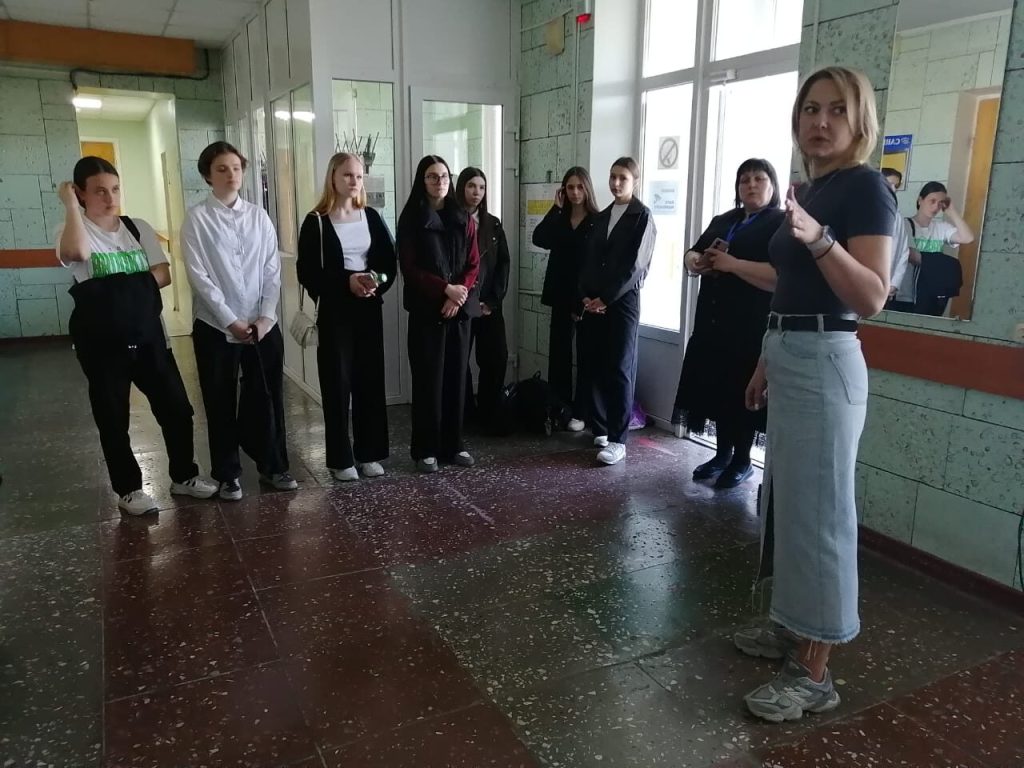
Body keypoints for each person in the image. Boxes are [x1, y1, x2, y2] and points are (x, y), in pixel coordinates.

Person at [738, 66, 895, 723]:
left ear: (860, 123)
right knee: (789, 508)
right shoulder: (813, 187)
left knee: (823, 517)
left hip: (829, 359)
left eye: (836, 110)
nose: (820, 121)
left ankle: (814, 674)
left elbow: (872, 296)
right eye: (810, 109)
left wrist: (821, 239)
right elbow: (791, 284)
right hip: (791, 350)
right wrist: (765, 359)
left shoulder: (864, 187)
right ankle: (792, 625)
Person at [56, 157, 217, 515]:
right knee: (113, 418)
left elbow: (164, 274)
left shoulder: (136, 227)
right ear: (80, 193)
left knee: (177, 409)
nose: (110, 198)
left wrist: (110, 287)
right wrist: (70, 207)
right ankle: (129, 489)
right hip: (102, 345)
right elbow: (77, 253)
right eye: (99, 191)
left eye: (114, 189)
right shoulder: (72, 228)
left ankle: (184, 476)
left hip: (149, 337)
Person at [182, 141, 297, 501]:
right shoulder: (197, 219)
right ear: (207, 175)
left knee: (268, 396)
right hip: (216, 326)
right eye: (222, 169)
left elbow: (271, 269)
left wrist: (266, 316)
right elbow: (199, 277)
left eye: (236, 168)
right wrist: (230, 320)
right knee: (219, 400)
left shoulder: (259, 217)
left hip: (262, 325)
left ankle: (273, 465)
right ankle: (228, 473)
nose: (231, 174)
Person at [673, 158, 785, 489]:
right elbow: (691, 253)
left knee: (743, 391)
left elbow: (780, 276)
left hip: (749, 323)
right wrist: (697, 261)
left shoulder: (780, 223)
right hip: (713, 322)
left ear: (772, 185)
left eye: (759, 179)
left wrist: (733, 264)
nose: (751, 185)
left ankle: (742, 461)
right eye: (744, 180)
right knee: (717, 388)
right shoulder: (725, 220)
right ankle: (722, 454)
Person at [297, 152, 396, 481]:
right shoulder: (316, 221)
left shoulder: (371, 217)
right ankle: (341, 459)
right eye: (348, 175)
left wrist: (374, 281)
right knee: (337, 383)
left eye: (359, 176)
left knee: (370, 380)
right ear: (333, 178)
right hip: (335, 311)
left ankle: (370, 453)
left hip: (368, 307)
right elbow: (307, 272)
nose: (354, 181)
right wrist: (346, 282)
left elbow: (388, 264)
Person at [397, 155, 480, 472]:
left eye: (444, 176)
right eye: (432, 176)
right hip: (426, 312)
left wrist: (458, 295)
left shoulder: (463, 218)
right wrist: (445, 289)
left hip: (457, 311)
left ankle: (454, 445)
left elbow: (473, 264)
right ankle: (426, 449)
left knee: (456, 380)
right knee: (428, 381)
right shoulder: (412, 218)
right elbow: (410, 269)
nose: (439, 182)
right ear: (423, 181)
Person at [577, 157, 656, 466]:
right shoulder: (602, 216)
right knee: (595, 362)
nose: (616, 183)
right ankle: (601, 428)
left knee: (620, 366)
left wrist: (607, 298)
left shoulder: (642, 216)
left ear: (635, 181)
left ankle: (618, 439)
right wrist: (586, 295)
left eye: (623, 177)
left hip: (622, 302)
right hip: (595, 301)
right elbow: (587, 260)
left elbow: (636, 266)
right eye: (612, 177)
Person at [534, 167, 599, 431]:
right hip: (560, 294)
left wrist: (587, 298)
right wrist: (555, 208)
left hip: (584, 298)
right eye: (570, 187)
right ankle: (558, 408)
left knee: (586, 355)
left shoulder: (596, 221)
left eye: (580, 187)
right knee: (558, 353)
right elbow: (539, 238)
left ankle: (581, 411)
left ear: (587, 189)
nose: (575, 192)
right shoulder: (560, 218)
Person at [456, 167, 511, 432]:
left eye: (481, 187)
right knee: (459, 361)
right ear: (461, 189)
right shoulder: (451, 220)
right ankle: (464, 413)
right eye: (471, 186)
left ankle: (490, 412)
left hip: (489, 305)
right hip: (461, 304)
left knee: (496, 358)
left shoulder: (493, 224)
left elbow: (503, 265)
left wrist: (492, 301)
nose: (476, 192)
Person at [906, 181, 974, 316]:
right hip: (908, 291)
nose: (936, 206)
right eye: (932, 201)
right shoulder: (905, 225)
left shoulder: (941, 227)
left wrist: (952, 211)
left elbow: (968, 238)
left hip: (933, 291)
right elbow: (909, 256)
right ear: (920, 200)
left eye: (940, 203)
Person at [880, 167, 913, 311]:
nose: (893, 189)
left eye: (896, 186)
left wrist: (894, 283)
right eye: (889, 184)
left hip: (887, 285)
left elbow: (903, 252)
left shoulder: (897, 215)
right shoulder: (864, 209)